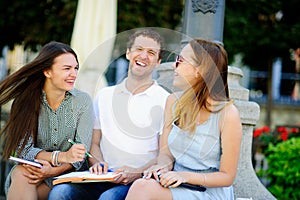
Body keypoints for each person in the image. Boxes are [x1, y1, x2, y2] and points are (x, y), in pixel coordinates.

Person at [48, 28, 170, 200]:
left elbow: (164, 154)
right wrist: (97, 163)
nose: (143, 56)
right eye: (139, 49)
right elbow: (95, 142)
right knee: (60, 193)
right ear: (128, 53)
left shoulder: (165, 100)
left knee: (109, 198)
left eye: (151, 53)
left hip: (138, 182)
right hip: (102, 176)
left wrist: (136, 172)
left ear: (158, 62)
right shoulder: (104, 95)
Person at [125, 39, 243, 200]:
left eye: (180, 61)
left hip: (208, 191)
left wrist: (186, 177)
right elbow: (166, 154)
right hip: (176, 183)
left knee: (142, 189)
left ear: (200, 70)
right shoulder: (173, 102)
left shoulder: (228, 114)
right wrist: (162, 167)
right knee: (142, 186)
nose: (174, 66)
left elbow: (227, 176)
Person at [0, 41, 94, 200]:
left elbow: (79, 157)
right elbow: (24, 150)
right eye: (67, 68)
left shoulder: (82, 102)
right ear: (47, 71)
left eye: (75, 68)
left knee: (22, 180)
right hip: (35, 170)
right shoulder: (25, 102)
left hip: (68, 176)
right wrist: (60, 157)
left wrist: (54, 169)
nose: (74, 74)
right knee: (20, 172)